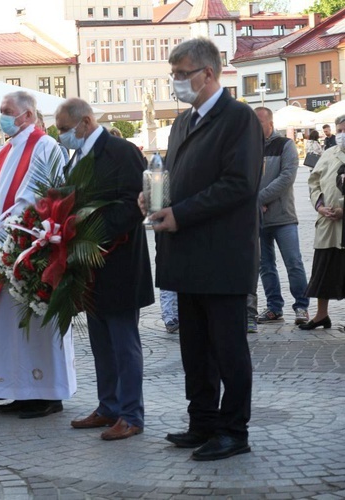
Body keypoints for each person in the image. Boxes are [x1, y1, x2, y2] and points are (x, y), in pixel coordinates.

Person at [150, 38, 263, 461]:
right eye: (173, 74)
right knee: (194, 349)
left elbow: (239, 184)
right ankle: (203, 422)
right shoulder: (183, 123)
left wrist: (181, 213)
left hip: (223, 256)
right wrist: (156, 201)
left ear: (208, 73)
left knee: (228, 350)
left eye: (182, 74)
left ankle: (234, 431)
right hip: (186, 255)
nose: (176, 81)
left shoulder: (239, 118)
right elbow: (173, 177)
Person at [0, 90, 76, 419]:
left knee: (35, 322)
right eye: (1, 111)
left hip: (30, 247)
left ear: (28, 115)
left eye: (7, 111)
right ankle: (19, 389)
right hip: (0, 251)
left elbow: (35, 198)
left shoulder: (45, 146)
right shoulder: (3, 152)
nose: (2, 116)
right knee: (9, 325)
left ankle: (47, 392)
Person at [56, 98, 154, 440]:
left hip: (120, 263)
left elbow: (135, 205)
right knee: (100, 342)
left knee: (124, 343)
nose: (61, 136)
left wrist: (88, 229)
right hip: (89, 267)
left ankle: (131, 414)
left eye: (64, 129)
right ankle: (108, 406)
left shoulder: (121, 151)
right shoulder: (76, 157)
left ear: (85, 122)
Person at [248, 107, 309, 331]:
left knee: (293, 262)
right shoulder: (249, 147)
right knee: (265, 266)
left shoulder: (285, 145)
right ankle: (274, 308)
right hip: (258, 218)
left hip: (283, 216)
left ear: (270, 124)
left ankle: (302, 306)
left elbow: (287, 178)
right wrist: (255, 201)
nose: (255, 127)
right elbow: (245, 178)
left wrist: (259, 198)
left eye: (259, 123)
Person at [299, 115, 345, 330]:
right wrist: (319, 205)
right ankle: (321, 315)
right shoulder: (328, 154)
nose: (341, 134)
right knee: (324, 269)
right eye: (339, 130)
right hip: (328, 224)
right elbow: (314, 182)